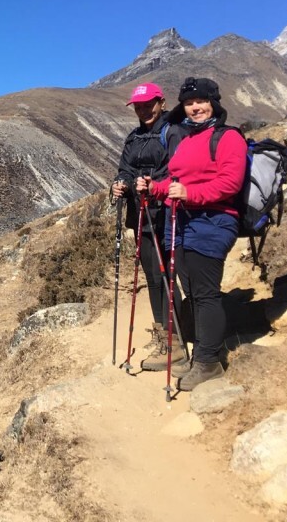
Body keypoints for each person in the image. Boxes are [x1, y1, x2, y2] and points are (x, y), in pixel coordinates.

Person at [137, 77, 247, 390]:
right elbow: (175, 182)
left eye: (201, 101)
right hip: (181, 222)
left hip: (213, 222)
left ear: (214, 103)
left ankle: (209, 362)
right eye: (189, 103)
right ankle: (199, 356)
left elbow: (230, 183)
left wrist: (190, 194)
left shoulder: (228, 138)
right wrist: (155, 188)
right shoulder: (186, 141)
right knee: (192, 291)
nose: (195, 107)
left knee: (205, 293)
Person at [111, 82, 185, 372]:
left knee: (165, 276)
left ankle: (176, 340)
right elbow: (125, 169)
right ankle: (165, 334)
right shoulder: (134, 137)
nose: (143, 110)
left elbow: (178, 169)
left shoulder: (173, 132)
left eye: (148, 104)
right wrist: (121, 185)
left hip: (166, 214)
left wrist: (152, 185)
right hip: (140, 216)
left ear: (162, 103)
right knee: (153, 277)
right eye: (138, 106)